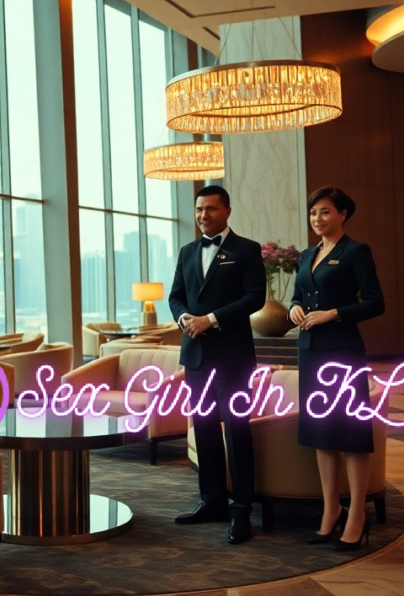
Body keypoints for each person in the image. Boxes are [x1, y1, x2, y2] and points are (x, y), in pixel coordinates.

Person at [169, 186, 266, 545]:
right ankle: (211, 501)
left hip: (233, 358)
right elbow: (175, 295)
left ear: (227, 210)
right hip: (195, 356)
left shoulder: (246, 249)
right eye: (198, 209)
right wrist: (185, 319)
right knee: (205, 429)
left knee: (237, 431)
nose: (203, 215)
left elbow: (255, 298)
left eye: (210, 208)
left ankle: (241, 510)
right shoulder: (188, 250)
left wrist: (210, 318)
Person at [289, 187, 384, 552]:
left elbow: (376, 303)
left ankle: (358, 514)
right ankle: (331, 510)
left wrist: (335, 313)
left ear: (343, 214)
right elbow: (299, 295)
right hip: (310, 351)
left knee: (352, 434)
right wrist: (293, 309)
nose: (318, 219)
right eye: (314, 212)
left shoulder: (356, 251)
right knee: (321, 434)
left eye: (325, 212)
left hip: (343, 352)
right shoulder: (306, 255)